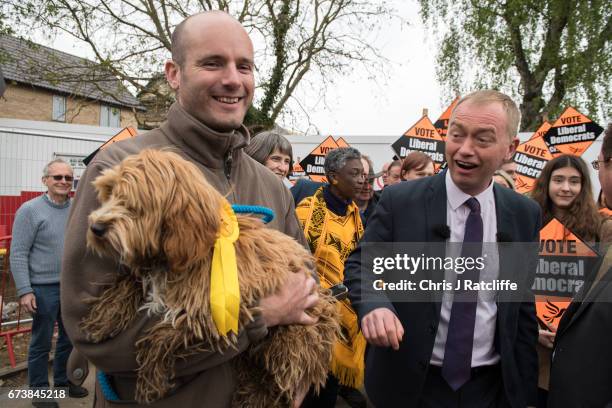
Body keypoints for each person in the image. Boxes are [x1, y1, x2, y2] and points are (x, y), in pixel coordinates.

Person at [61, 11, 318, 407]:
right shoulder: (120, 169)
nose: (233, 79)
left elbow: (305, 289)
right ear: (174, 73)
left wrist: (300, 369)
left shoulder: (270, 185)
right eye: (212, 63)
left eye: (244, 66)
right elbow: (96, 333)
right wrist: (256, 317)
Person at [344, 90, 541, 407]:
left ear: (510, 149)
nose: (465, 150)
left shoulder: (524, 215)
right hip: (409, 386)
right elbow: (362, 265)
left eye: (483, 139)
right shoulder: (401, 201)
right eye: (457, 135)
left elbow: (522, 306)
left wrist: (525, 392)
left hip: (490, 389)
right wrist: (375, 303)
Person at [529, 154, 612, 406]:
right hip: (534, 347)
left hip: (581, 350)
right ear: (546, 183)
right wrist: (534, 330)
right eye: (559, 180)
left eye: (574, 181)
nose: (566, 188)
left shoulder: (601, 228)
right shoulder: (527, 223)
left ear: (584, 186)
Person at [10, 159, 88, 407]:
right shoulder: (29, 210)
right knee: (41, 342)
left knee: (69, 339)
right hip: (43, 289)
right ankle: (40, 392)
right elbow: (19, 253)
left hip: (71, 287)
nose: (64, 182)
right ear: (45, 180)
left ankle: (63, 382)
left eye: (68, 178)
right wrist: (25, 290)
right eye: (58, 177)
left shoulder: (77, 208)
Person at [296, 147, 367, 408]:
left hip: (344, 313)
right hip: (310, 315)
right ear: (334, 177)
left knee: (328, 388)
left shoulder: (356, 216)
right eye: (355, 173)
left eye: (363, 174)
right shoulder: (306, 211)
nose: (362, 179)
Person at [355, 154, 379, 226]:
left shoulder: (383, 205)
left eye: (371, 181)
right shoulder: (338, 207)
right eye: (362, 182)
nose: (367, 187)